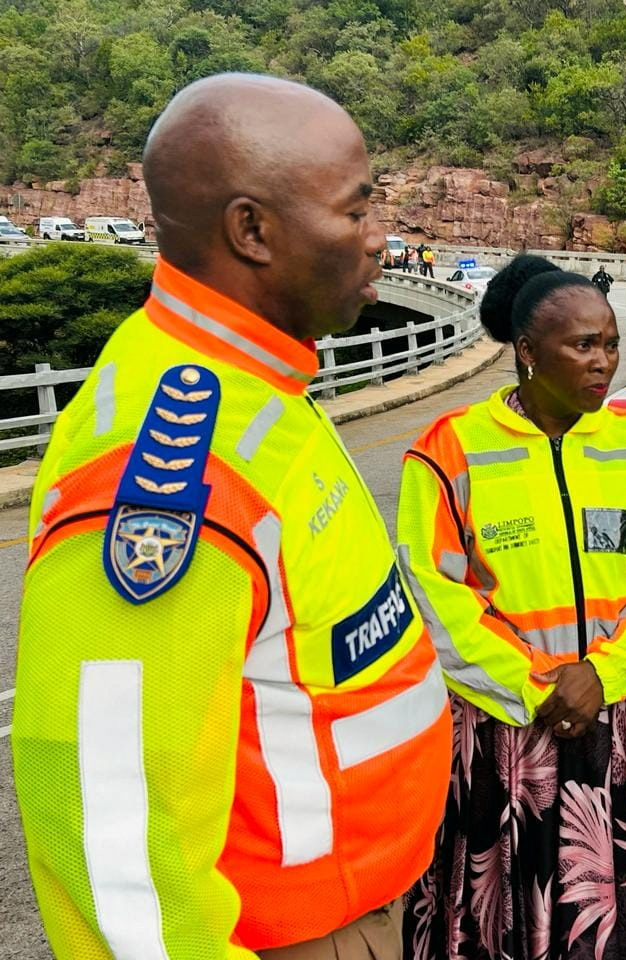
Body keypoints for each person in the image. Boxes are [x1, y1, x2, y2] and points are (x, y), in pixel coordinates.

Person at [11, 74, 452, 960]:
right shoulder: (169, 472)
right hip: (294, 937)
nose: (380, 240)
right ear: (252, 230)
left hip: (359, 903)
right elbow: (116, 841)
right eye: (355, 211)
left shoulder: (259, 382)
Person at [397, 254, 626, 960]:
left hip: (618, 713)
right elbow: (434, 594)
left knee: (620, 907)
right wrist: (534, 684)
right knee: (507, 908)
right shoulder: (447, 453)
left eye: (609, 342)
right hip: (506, 726)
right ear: (529, 353)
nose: (604, 361)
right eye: (583, 345)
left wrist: (606, 671)